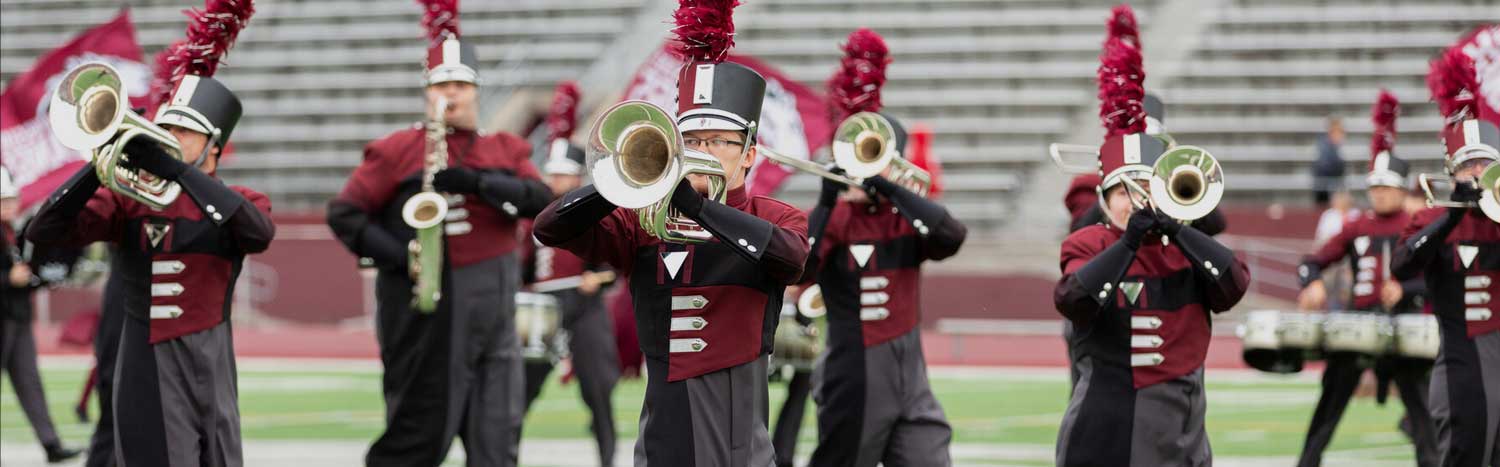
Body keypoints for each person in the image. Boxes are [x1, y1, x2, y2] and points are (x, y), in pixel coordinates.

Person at [533, 1, 810, 464]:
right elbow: (549, 228)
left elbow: (789, 258)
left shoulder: (776, 216)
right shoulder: (642, 219)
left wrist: (701, 209)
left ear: (748, 155)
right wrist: (618, 181)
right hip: (663, 432)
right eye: (693, 141)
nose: (703, 150)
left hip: (738, 435)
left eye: (718, 141)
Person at [28, 8, 272, 463]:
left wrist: (176, 169)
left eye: (185, 130)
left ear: (215, 148)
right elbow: (44, 230)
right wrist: (95, 164)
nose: (169, 135)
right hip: (145, 357)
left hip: (212, 356)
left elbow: (257, 234)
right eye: (168, 126)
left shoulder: (241, 199)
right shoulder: (127, 200)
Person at [324, 2, 551, 464]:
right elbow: (345, 213)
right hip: (428, 306)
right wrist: (405, 257)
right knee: (421, 431)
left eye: (462, 85)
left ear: (476, 91)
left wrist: (481, 183)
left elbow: (541, 199)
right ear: (428, 93)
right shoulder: (398, 149)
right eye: (443, 85)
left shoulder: (503, 147)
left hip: (493, 299)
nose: (453, 94)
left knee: (497, 433)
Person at [1053, 8, 1250, 464]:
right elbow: (1072, 298)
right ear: (1104, 196)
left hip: (1181, 423)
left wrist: (1177, 226)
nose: (1132, 200)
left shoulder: (1184, 248)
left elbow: (1233, 284)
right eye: (1120, 191)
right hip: (1108, 424)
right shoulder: (1088, 242)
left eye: (1140, 188)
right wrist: (1127, 242)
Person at [799, 28, 966, 467]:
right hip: (854, 370)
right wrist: (825, 197)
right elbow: (802, 266)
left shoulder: (903, 217)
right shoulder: (834, 216)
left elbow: (951, 235)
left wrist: (890, 188)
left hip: (911, 373)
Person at [1294, 90, 1438, 467]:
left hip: (1405, 323)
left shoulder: (1418, 223)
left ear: (1402, 188)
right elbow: (1312, 261)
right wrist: (1311, 281)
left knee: (1423, 416)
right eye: (1375, 187)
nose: (1379, 194)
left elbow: (1439, 280)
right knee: (1329, 405)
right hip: (1358, 326)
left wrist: (1405, 289)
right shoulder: (1356, 224)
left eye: (1387, 187)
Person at [1392, 28, 1500, 467]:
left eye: (1485, 164)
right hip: (1461, 359)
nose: (1477, 171)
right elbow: (1402, 265)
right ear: (1453, 169)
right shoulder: (1432, 216)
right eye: (1468, 164)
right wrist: (1453, 213)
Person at [517, 81, 620, 467]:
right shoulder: (535, 218)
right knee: (523, 389)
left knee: (597, 390)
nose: (557, 182)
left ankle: (608, 458)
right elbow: (525, 266)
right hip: (545, 305)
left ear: (577, 178)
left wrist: (599, 277)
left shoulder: (592, 212)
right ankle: (501, 454)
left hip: (584, 303)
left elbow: (614, 264)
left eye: (564, 175)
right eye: (553, 174)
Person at [1, 167, 84, 463]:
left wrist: (40, 279)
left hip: (17, 317)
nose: (10, 205)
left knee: (30, 382)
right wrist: (8, 279)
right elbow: (9, 277)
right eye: (3, 200)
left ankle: (51, 444)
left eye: (11, 199)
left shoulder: (13, 232)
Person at [1313, 117, 1347, 207]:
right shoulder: (1326, 148)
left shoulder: (1335, 147)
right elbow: (1325, 168)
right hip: (1325, 189)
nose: (1341, 135)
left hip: (1329, 187)